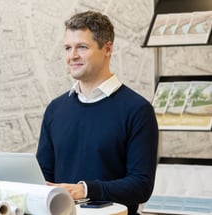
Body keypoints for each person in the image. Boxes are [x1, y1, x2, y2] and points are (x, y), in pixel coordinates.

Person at [36, 10, 159, 215]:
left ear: (107, 49)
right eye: (68, 48)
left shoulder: (138, 110)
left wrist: (84, 190)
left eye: (82, 47)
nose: (72, 56)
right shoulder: (55, 109)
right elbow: (43, 177)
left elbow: (141, 185)